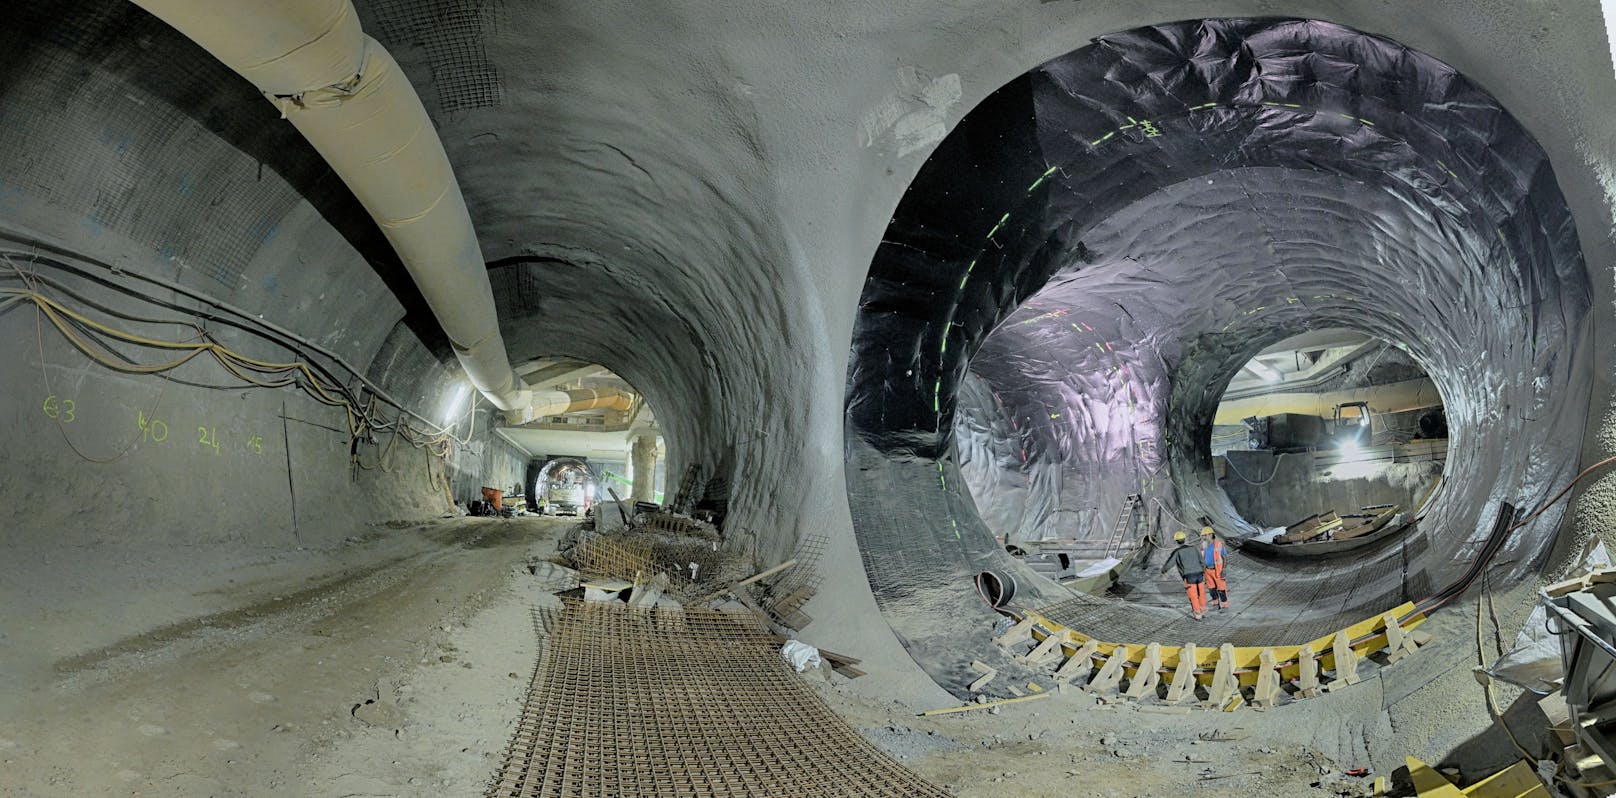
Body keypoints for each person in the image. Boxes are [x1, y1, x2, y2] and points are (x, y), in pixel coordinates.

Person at [1158, 530, 1208, 620]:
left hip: (1189, 576)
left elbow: (1170, 563)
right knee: (1201, 593)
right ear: (1184, 539)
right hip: (1199, 575)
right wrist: (1203, 571)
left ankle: (1198, 615)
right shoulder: (1194, 548)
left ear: (1177, 541)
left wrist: (1163, 571)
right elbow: (1202, 561)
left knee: (1193, 596)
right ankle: (1203, 611)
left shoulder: (1177, 552)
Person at [1201, 526, 1230, 610]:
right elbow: (1202, 557)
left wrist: (1224, 569)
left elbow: (1224, 557)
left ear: (1210, 535)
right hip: (1207, 571)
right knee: (1211, 589)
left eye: (1205, 536)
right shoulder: (1203, 545)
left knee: (1221, 589)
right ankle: (1215, 603)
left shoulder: (1219, 544)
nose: (1204, 538)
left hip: (1218, 571)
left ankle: (1224, 605)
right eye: (1203, 536)